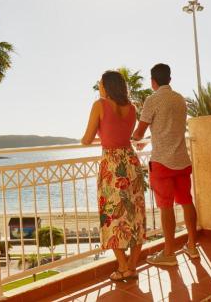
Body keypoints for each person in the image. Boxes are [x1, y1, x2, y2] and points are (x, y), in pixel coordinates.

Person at [81, 71, 146, 280]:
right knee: (135, 215)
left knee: (111, 216)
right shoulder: (133, 108)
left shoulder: (99, 105)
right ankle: (131, 267)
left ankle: (123, 266)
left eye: (100, 83)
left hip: (112, 165)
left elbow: (87, 138)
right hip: (131, 163)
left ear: (106, 86)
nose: (99, 86)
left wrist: (89, 137)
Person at [132, 63, 199, 266]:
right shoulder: (179, 99)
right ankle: (192, 246)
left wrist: (135, 137)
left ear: (153, 81)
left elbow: (139, 133)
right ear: (169, 79)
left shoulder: (152, 100)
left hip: (162, 162)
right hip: (182, 160)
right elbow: (170, 126)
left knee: (166, 207)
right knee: (187, 201)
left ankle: (169, 253)